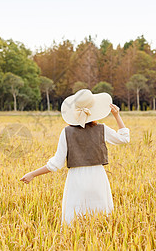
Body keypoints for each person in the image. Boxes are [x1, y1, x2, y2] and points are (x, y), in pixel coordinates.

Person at [20, 89, 130, 227]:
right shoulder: (102, 129)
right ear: (94, 110)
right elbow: (124, 139)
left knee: (74, 222)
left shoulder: (66, 132)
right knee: (101, 222)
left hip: (76, 180)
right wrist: (116, 115)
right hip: (98, 178)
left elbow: (55, 164)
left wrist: (32, 174)